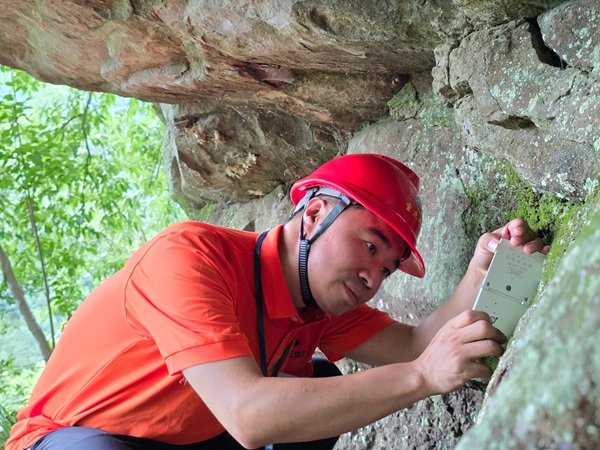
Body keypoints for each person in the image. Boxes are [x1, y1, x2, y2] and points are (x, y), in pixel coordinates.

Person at [6, 153, 549, 450]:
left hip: (182, 441)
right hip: (70, 442)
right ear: (312, 214)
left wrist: (482, 271)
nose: (372, 276)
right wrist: (423, 378)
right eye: (368, 245)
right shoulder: (189, 260)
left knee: (318, 383)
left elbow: (412, 345)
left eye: (386, 267)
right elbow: (247, 415)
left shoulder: (316, 303)